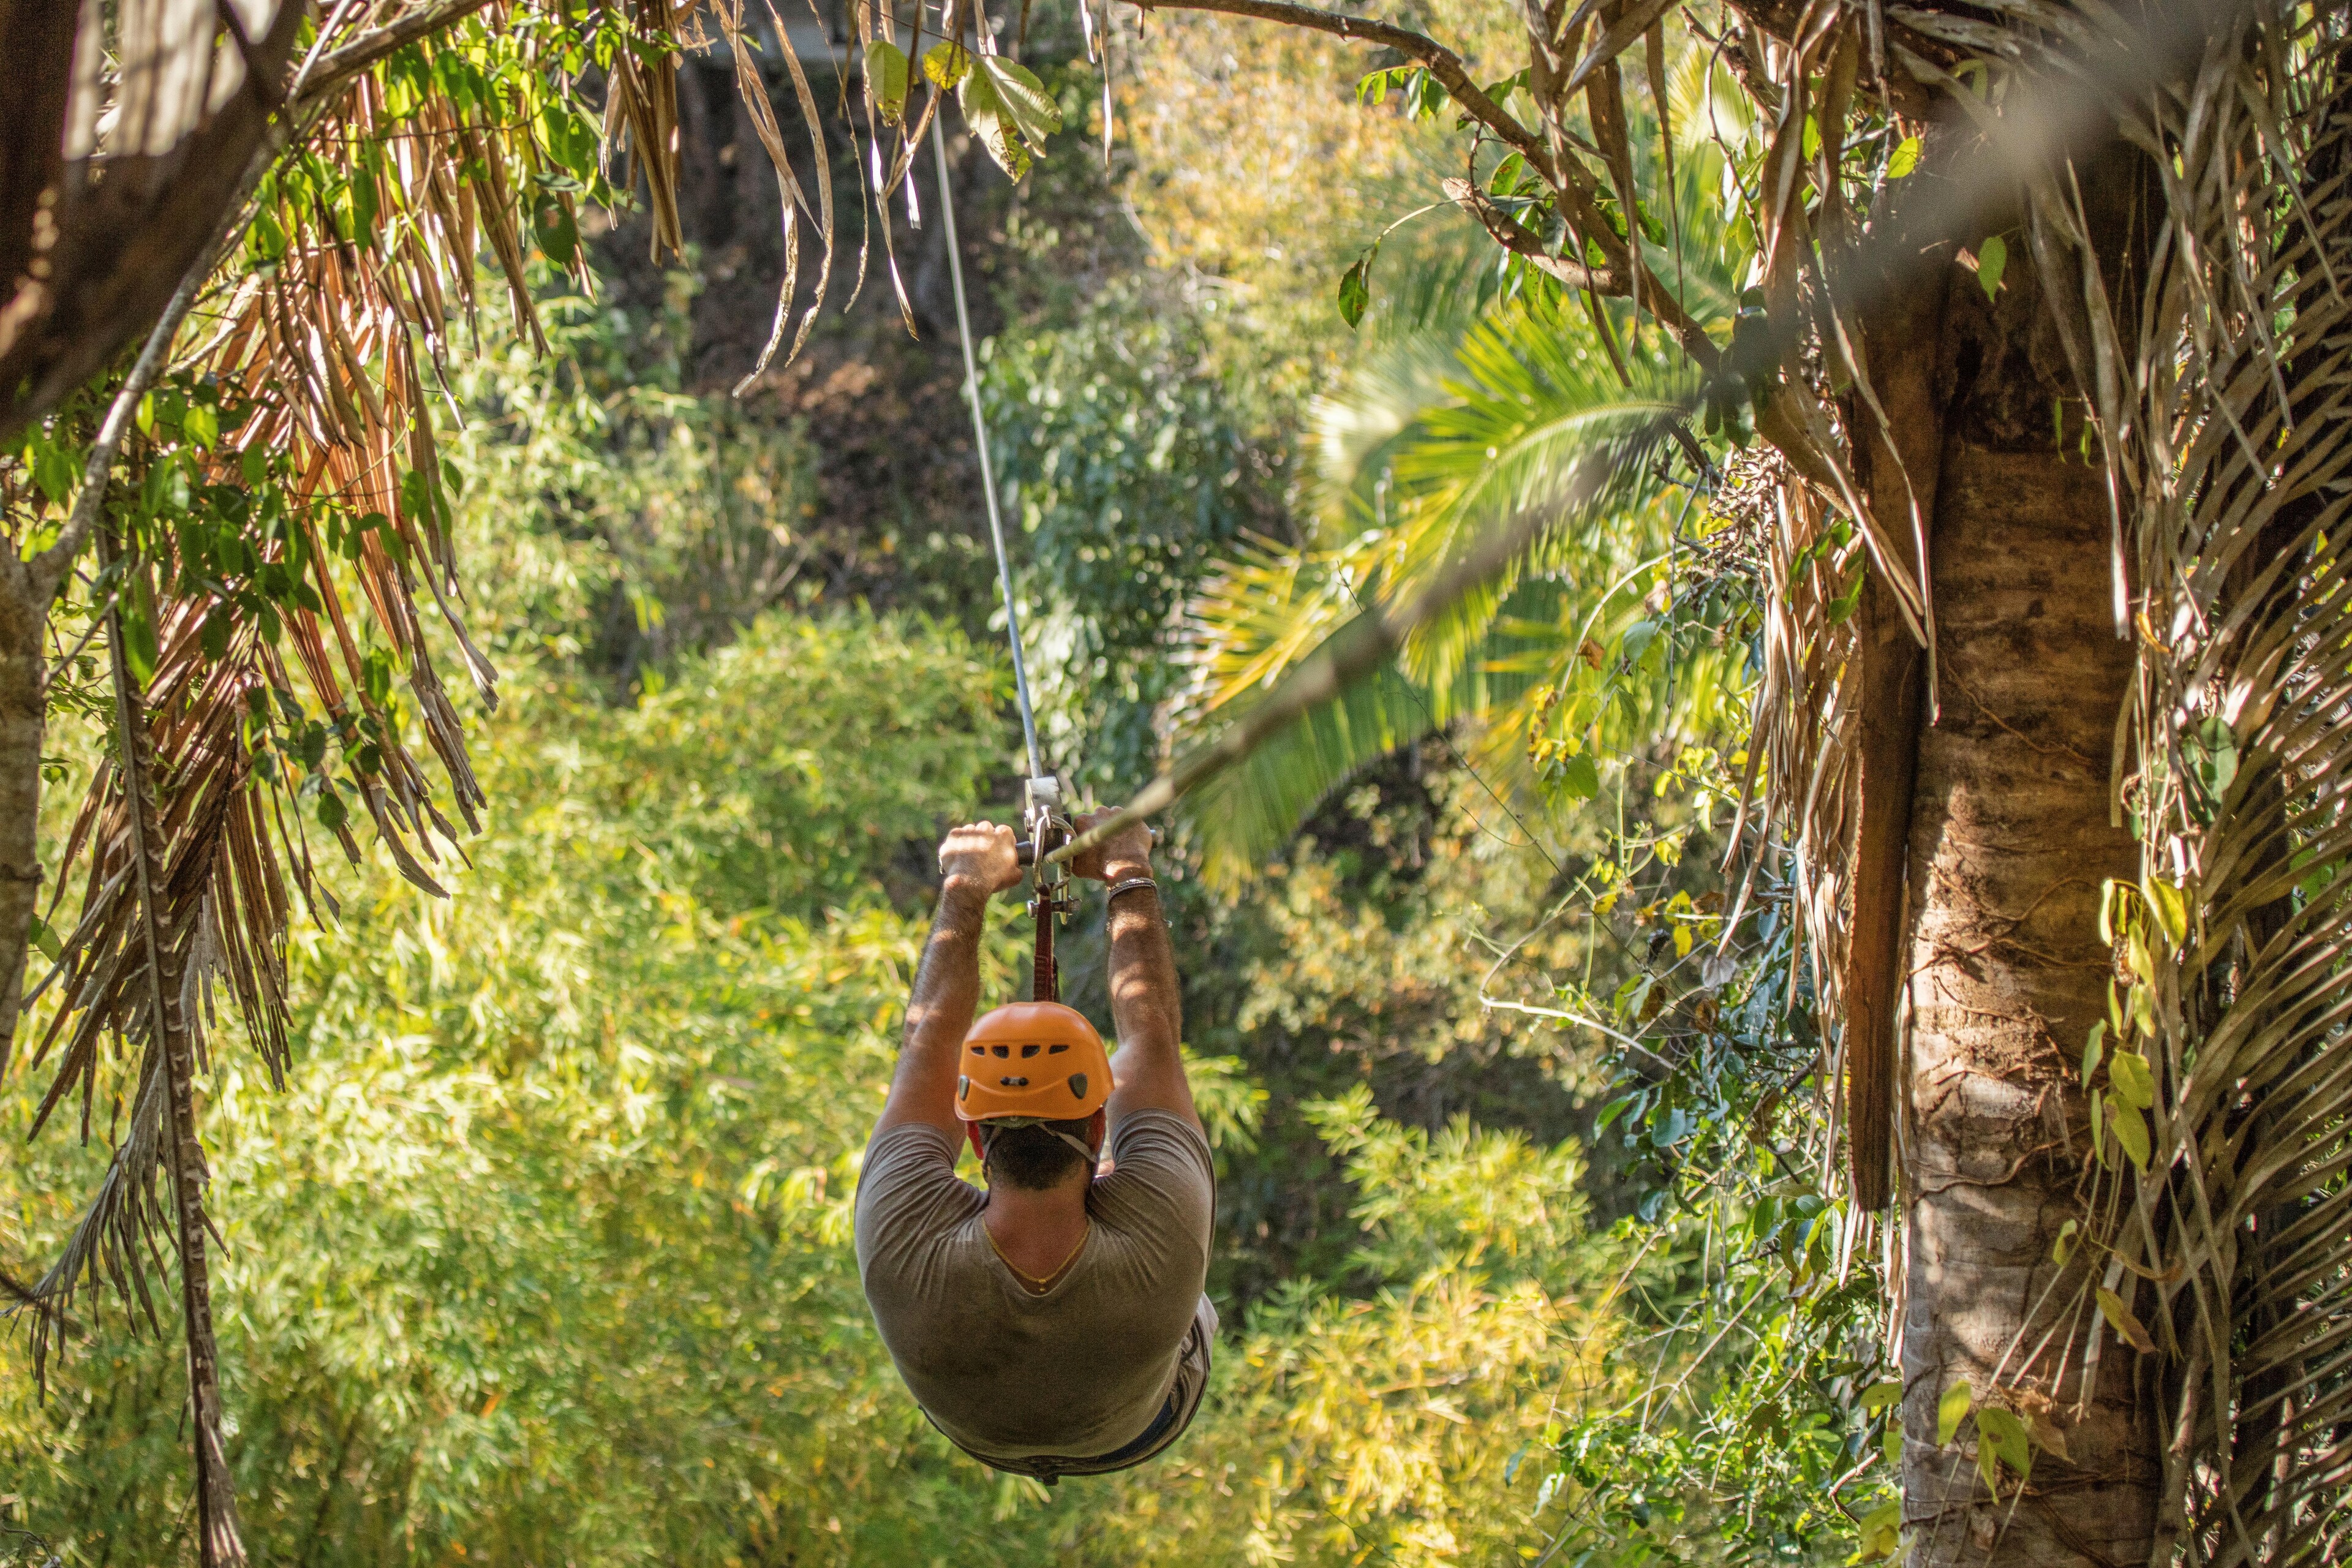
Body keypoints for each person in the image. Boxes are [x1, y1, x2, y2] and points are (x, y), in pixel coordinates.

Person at [853, 812, 1216, 1483]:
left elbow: (929, 1044)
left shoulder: (896, 1232)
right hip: (1141, 1426)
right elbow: (1152, 1037)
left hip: (983, 1431)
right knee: (1189, 1282)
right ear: (1099, 1128)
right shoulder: (1166, 1240)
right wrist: (1127, 868)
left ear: (971, 1135)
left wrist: (965, 887)